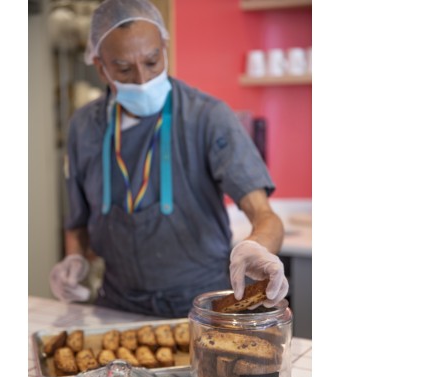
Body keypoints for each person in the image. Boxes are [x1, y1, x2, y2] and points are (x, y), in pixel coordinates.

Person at [49, 0, 289, 318]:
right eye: (123, 69)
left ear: (164, 47)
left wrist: (257, 246)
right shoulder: (85, 127)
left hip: (202, 307)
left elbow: (265, 215)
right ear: (100, 66)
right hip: (117, 307)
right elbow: (77, 224)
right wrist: (74, 260)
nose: (143, 78)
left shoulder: (206, 117)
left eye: (152, 61)